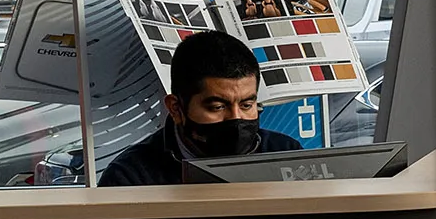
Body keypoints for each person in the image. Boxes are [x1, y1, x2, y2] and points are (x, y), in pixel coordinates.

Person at [100, 29, 302, 186]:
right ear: (176, 108)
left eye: (246, 105)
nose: (236, 118)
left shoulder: (287, 155)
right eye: (217, 107)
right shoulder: (131, 177)